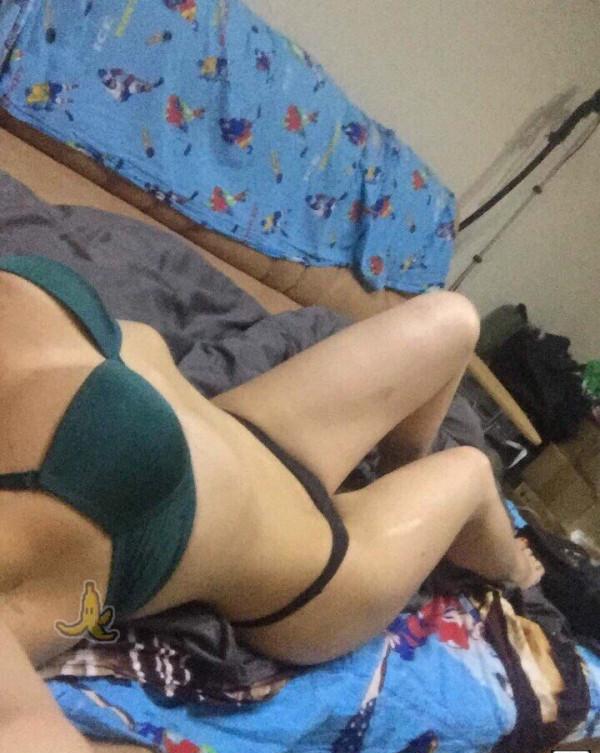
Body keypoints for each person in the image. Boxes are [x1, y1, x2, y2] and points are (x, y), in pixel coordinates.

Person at [0, 253, 544, 671]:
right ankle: (514, 571)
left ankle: (396, 476)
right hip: (312, 580)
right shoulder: (27, 523)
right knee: (470, 470)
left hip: (250, 433)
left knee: (453, 318)